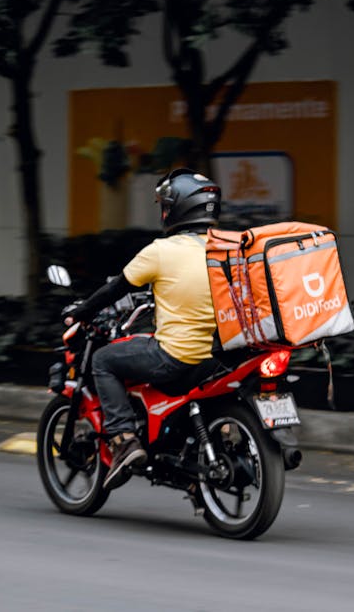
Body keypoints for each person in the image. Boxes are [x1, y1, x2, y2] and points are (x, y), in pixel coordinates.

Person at [63, 168, 223, 491]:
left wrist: (80, 312)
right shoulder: (225, 247)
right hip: (219, 357)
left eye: (165, 204)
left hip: (176, 356)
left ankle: (124, 440)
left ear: (176, 208)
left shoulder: (161, 251)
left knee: (103, 360)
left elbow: (116, 289)